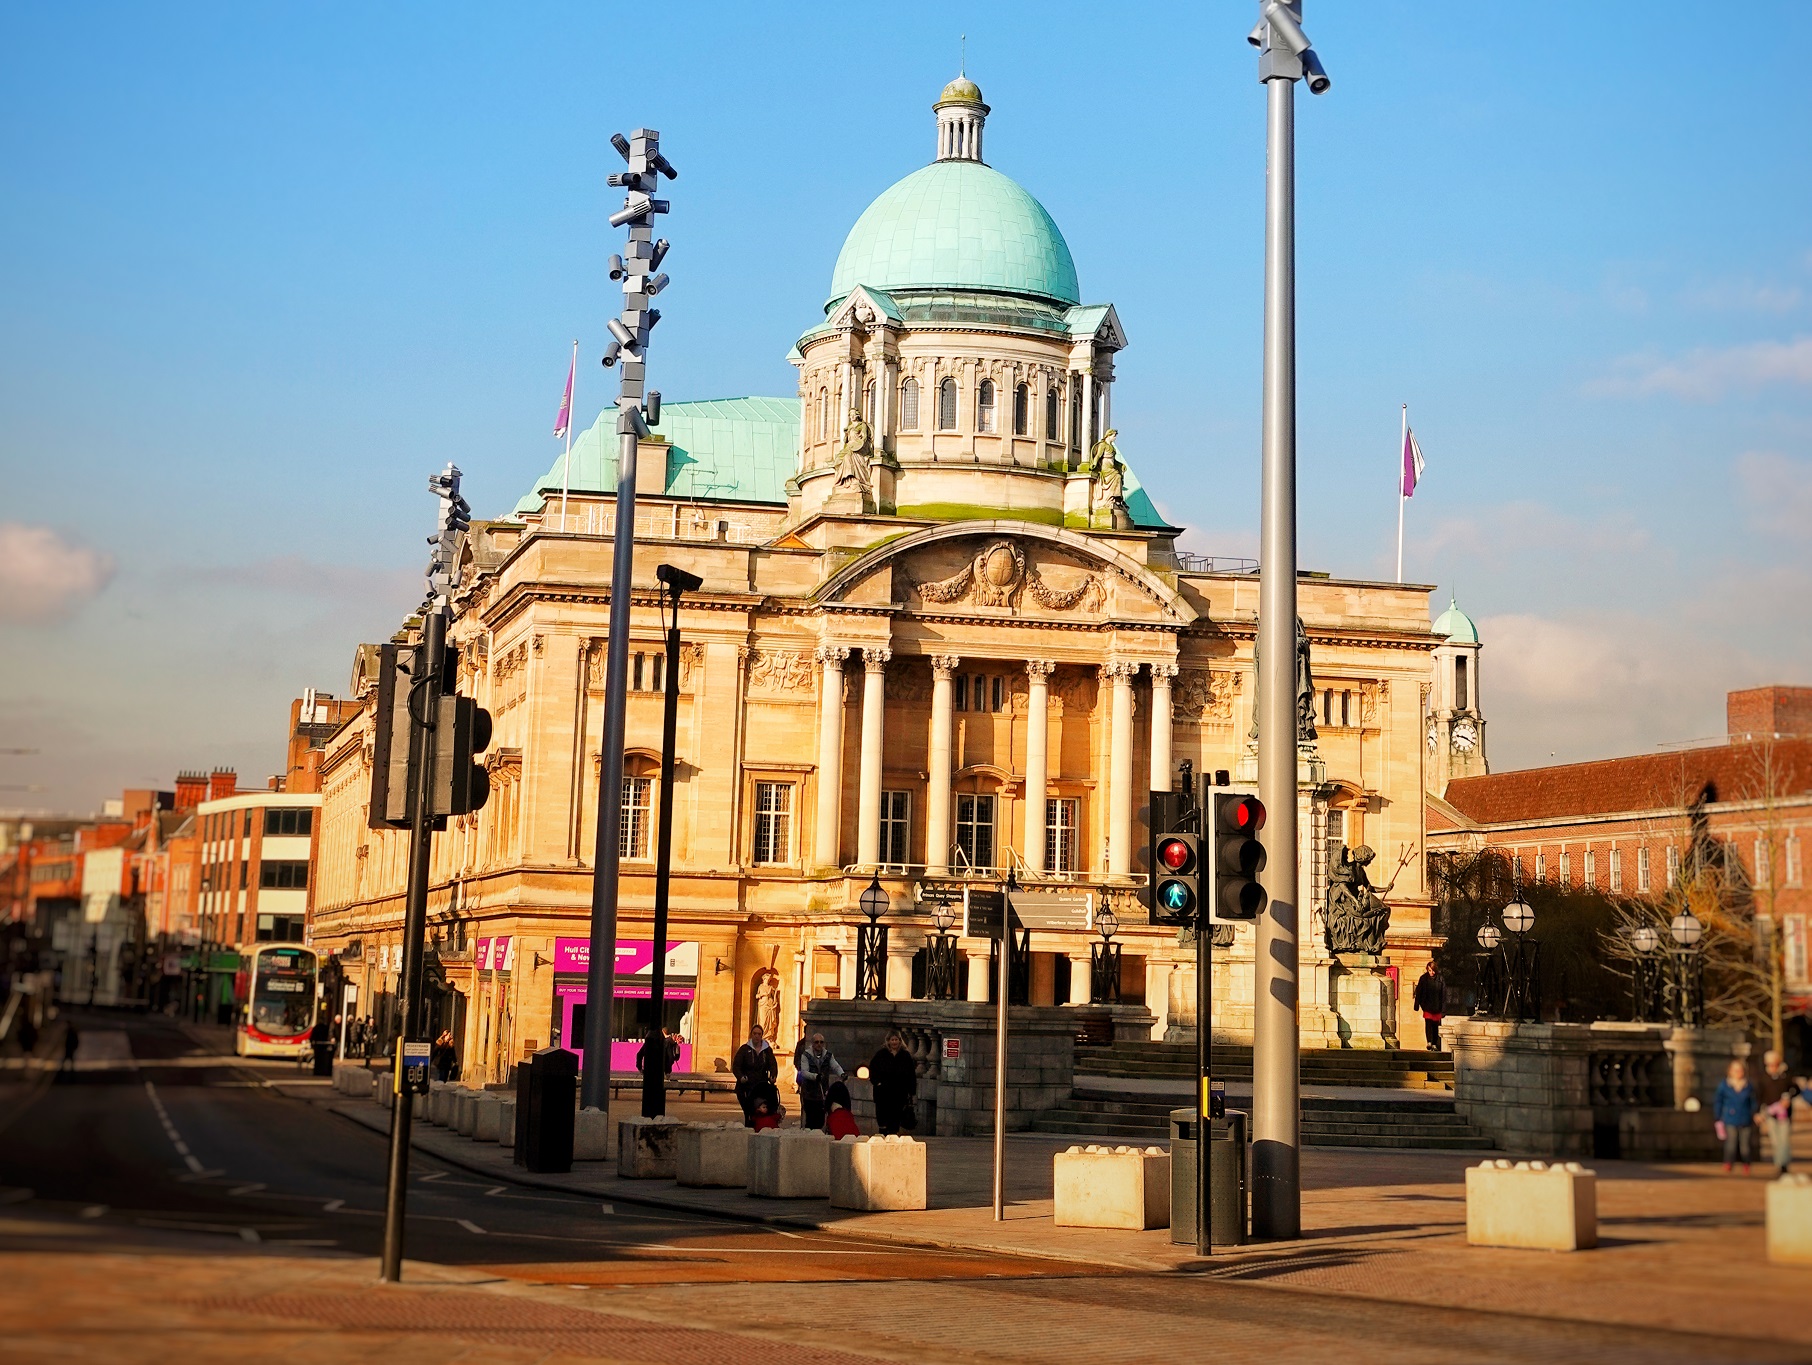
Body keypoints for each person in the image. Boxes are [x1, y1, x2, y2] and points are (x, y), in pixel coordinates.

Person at [1756, 1050, 1801, 1175]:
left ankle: (1783, 1164)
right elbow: (1760, 1096)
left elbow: (1796, 1090)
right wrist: (1759, 1112)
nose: (1772, 1067)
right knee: (1775, 1140)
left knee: (1784, 1139)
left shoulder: (1786, 1076)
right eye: (1769, 1064)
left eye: (1774, 1064)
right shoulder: (1763, 1078)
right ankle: (1778, 1163)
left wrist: (1788, 1098)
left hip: (1785, 1114)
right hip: (1770, 1113)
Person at [867, 1029, 918, 1136]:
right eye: (892, 1040)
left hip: (899, 1093)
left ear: (900, 1041)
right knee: (882, 1117)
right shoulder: (881, 1054)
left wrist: (912, 1091)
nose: (894, 1042)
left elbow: (911, 1074)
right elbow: (873, 1069)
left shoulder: (905, 1055)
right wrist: (877, 1083)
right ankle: (883, 1134)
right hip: (883, 1092)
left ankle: (893, 1135)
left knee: (895, 1117)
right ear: (888, 1041)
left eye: (896, 1040)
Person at [1714, 1059, 1760, 1175]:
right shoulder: (1724, 1086)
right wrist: (1718, 1116)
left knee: (1745, 1145)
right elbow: (1718, 1101)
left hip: (1745, 1118)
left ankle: (1746, 1164)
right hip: (1730, 1118)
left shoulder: (1748, 1086)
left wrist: (1755, 1113)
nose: (1738, 1073)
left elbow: (1753, 1102)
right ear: (1730, 1071)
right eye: (1735, 1070)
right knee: (1731, 1143)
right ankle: (1728, 1163)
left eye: (1740, 1070)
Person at [794, 1032, 844, 1131]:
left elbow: (835, 1066)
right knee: (810, 1119)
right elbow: (804, 1072)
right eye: (817, 1042)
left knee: (820, 1119)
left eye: (821, 1042)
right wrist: (815, 1077)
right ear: (812, 1043)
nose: (819, 1044)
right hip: (809, 1092)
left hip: (822, 1092)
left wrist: (842, 1074)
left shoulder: (828, 1056)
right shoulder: (806, 1055)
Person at [732, 1024, 778, 1128]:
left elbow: (773, 1064)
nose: (757, 1036)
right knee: (748, 1110)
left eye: (759, 1034)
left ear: (762, 1035)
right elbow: (736, 1066)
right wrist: (741, 1077)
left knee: (761, 1109)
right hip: (746, 1085)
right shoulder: (744, 1049)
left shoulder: (767, 1050)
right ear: (751, 1035)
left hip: (760, 1086)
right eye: (755, 1034)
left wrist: (773, 1076)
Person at [1412, 963, 1446, 1052]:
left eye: (1433, 971)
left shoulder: (1440, 979)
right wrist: (1417, 1004)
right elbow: (1419, 992)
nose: (1432, 973)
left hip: (1437, 1005)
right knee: (1428, 1023)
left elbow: (1443, 995)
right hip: (1426, 1005)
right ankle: (1429, 1042)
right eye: (1430, 970)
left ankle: (1434, 1043)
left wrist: (1443, 1010)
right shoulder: (1423, 978)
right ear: (1427, 969)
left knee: (1435, 1025)